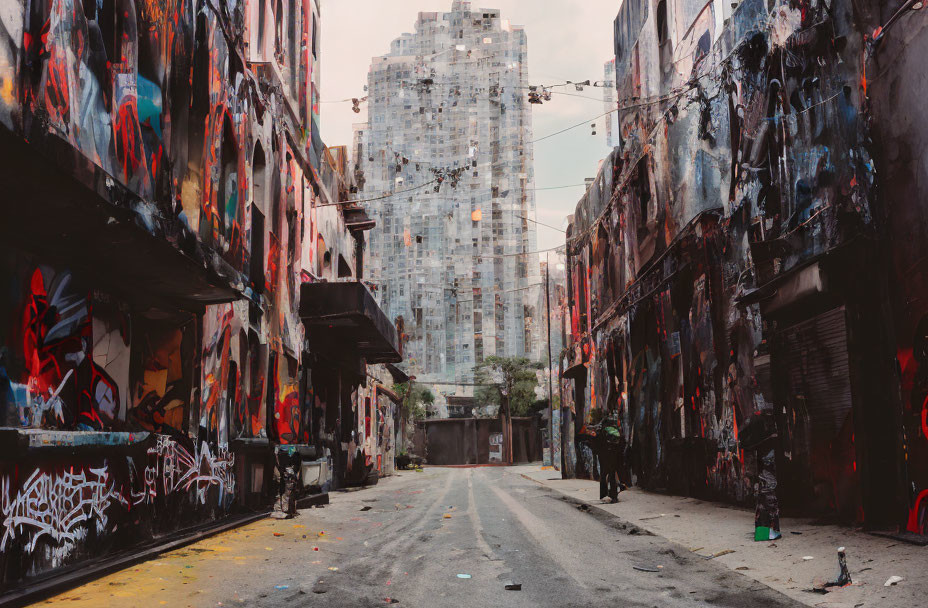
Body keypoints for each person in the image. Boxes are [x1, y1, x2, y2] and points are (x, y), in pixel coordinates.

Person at [597, 414, 624, 503]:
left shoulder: (602, 431)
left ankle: (603, 495)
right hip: (614, 455)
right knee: (612, 474)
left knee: (603, 474)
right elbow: (622, 445)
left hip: (604, 455)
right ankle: (614, 496)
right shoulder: (617, 432)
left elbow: (598, 445)